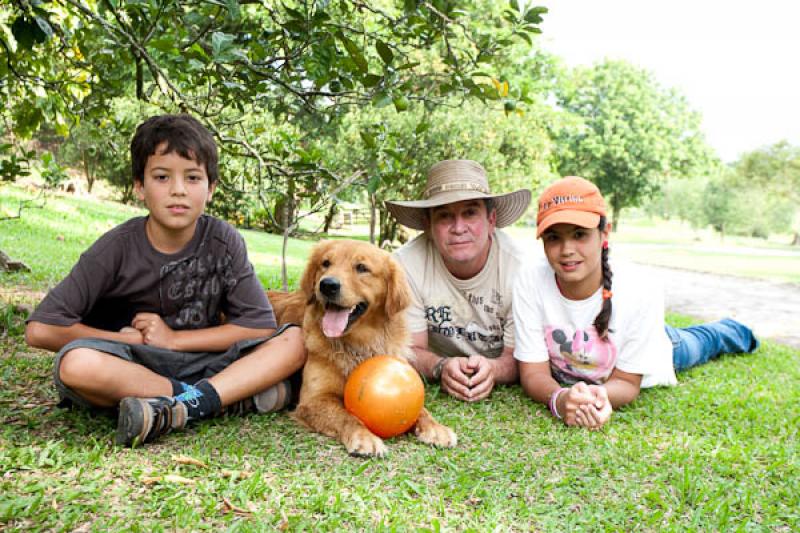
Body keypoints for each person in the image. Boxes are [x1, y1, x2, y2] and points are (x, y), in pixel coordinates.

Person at [25, 114, 306, 446]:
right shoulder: (117, 247)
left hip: (206, 362)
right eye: (161, 177)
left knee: (296, 341)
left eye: (192, 178)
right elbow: (40, 329)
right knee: (76, 365)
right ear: (139, 187)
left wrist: (174, 340)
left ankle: (179, 408)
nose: (178, 190)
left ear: (211, 188)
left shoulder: (223, 240)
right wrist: (127, 341)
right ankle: (223, 400)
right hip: (135, 366)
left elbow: (259, 327)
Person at [513, 176, 759, 429]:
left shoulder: (642, 287)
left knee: (704, 341)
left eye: (579, 234)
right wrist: (560, 399)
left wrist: (598, 399)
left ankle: (735, 330)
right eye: (553, 237)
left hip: (657, 347)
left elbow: (628, 383)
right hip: (608, 352)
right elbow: (532, 373)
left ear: (603, 233)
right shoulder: (529, 279)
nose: (567, 249)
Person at [385, 159, 531, 402]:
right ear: (428, 225)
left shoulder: (521, 268)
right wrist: (440, 366)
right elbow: (409, 348)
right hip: (440, 359)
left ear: (491, 220)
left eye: (470, 212)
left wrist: (493, 370)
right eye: (444, 216)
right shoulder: (405, 265)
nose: (458, 227)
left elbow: (521, 357)